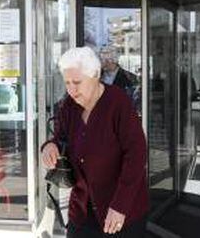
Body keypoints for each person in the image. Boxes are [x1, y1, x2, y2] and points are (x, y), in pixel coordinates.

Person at [42, 46, 149, 238]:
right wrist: (49, 146)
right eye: (67, 83)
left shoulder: (118, 103)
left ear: (95, 75)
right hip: (82, 211)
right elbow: (60, 137)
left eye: (77, 82)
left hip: (119, 211)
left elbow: (136, 154)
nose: (71, 89)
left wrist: (120, 205)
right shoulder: (69, 105)